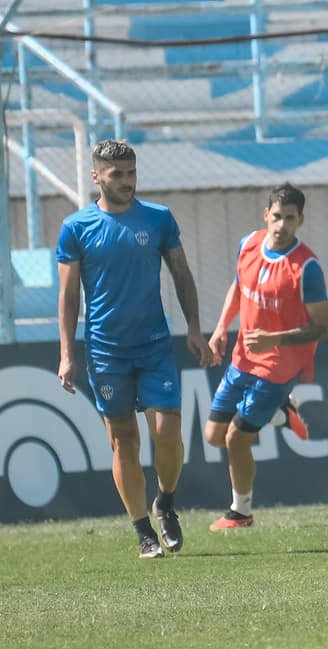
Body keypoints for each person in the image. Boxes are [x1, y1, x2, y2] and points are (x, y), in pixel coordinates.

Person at [57, 139, 214, 559]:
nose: (127, 181)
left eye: (131, 173)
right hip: (106, 352)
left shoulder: (159, 219)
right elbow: (69, 297)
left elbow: (181, 274)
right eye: (117, 174)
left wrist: (195, 328)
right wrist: (67, 353)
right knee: (124, 440)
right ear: (97, 177)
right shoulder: (76, 228)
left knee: (167, 431)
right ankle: (144, 531)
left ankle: (166, 500)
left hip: (154, 345)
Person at [205, 183, 328, 530]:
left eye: (289, 218)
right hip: (242, 358)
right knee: (214, 436)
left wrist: (274, 339)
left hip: (278, 367)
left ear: (300, 220)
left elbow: (325, 326)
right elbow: (238, 286)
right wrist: (220, 329)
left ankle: (241, 512)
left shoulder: (306, 267)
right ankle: (280, 413)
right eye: (276, 216)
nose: (281, 225)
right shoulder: (248, 244)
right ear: (266, 214)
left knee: (236, 439)